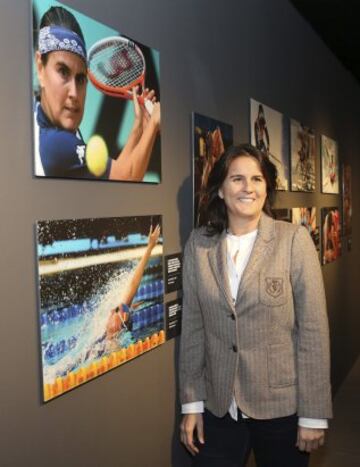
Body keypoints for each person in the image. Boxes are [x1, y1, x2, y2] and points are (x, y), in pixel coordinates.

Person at [179, 144, 332, 466]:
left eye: (257, 179)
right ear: (220, 189)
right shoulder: (199, 245)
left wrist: (314, 414)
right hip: (220, 408)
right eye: (237, 179)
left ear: (267, 188)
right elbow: (193, 328)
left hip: (281, 408)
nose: (248, 187)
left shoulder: (293, 241)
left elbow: (313, 331)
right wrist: (192, 404)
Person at [34, 6, 160, 181]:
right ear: (40, 68)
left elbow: (118, 172)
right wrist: (154, 123)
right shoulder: (55, 144)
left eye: (80, 79)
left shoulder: (43, 121)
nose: (74, 93)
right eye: (63, 71)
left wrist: (140, 127)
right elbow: (125, 179)